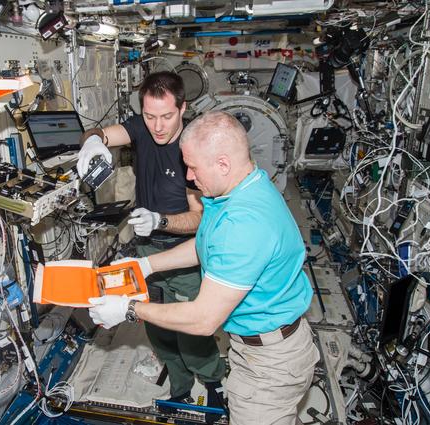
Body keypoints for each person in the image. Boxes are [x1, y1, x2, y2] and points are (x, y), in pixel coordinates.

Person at [87, 111, 321, 425]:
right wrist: (145, 264)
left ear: (222, 164)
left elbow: (203, 319)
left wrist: (128, 309)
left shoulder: (244, 224)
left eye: (193, 168)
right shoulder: (241, 189)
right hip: (256, 347)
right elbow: (205, 245)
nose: (188, 177)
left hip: (271, 365)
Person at [76, 72, 226, 416]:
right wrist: (92, 142)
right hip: (146, 248)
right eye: (149, 116)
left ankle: (213, 381)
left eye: (167, 116)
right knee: (159, 328)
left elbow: (200, 218)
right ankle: (180, 386)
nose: (158, 126)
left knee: (190, 330)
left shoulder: (192, 148)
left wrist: (161, 221)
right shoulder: (141, 128)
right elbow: (100, 132)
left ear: (183, 108)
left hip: (185, 253)